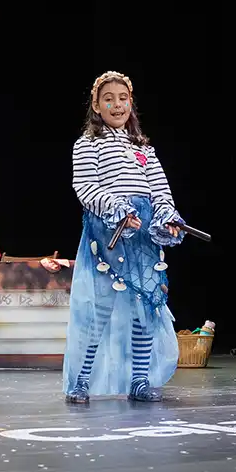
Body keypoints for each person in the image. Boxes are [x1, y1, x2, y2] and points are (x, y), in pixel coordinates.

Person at [62, 70, 183, 404]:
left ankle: (140, 380)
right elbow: (85, 187)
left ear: (131, 103)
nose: (117, 105)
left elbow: (160, 191)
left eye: (123, 98)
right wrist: (117, 210)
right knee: (98, 310)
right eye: (108, 99)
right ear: (97, 106)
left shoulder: (144, 148)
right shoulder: (88, 144)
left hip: (143, 237)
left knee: (146, 307)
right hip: (108, 233)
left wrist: (167, 217)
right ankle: (81, 380)